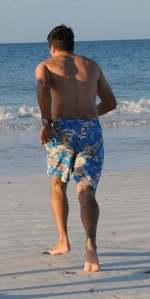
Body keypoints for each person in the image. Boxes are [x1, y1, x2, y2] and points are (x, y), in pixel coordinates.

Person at [36, 25, 117, 272]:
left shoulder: (46, 65)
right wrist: (89, 115)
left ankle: (63, 241)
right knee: (86, 190)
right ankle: (91, 246)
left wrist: (47, 122)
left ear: (52, 47)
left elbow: (42, 89)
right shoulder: (92, 66)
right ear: (72, 44)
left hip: (61, 129)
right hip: (91, 128)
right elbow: (110, 102)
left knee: (58, 185)